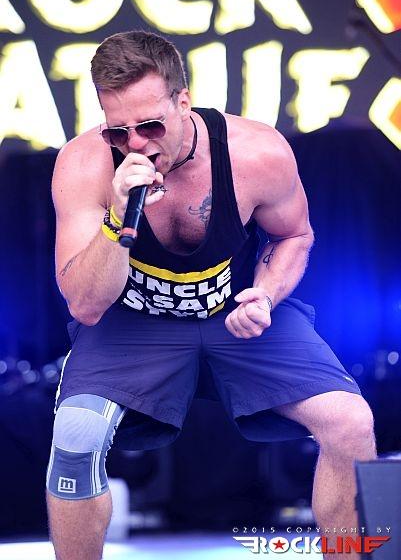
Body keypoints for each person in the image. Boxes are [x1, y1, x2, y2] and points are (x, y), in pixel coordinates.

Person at [47, 30, 376, 560]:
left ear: (183, 102)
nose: (137, 144)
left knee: (351, 423)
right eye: (118, 131)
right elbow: (85, 305)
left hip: (234, 311)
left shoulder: (255, 152)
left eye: (151, 125)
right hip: (132, 323)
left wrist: (264, 294)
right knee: (75, 435)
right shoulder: (85, 165)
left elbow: (294, 236)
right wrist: (117, 218)